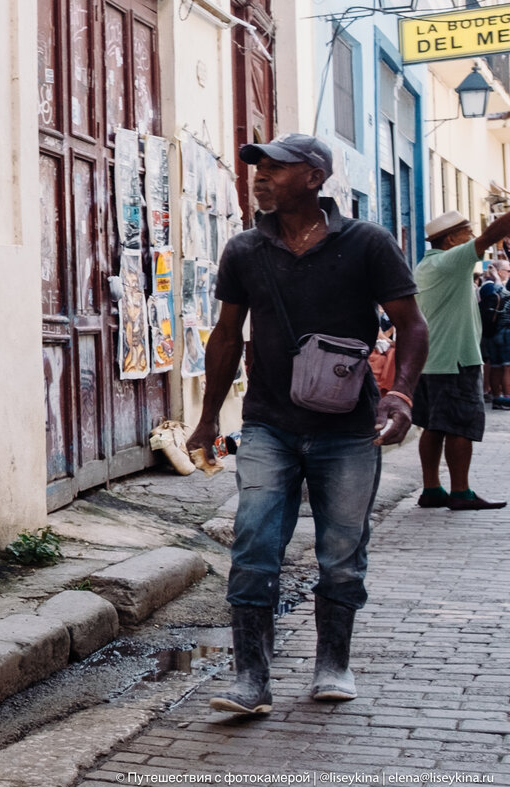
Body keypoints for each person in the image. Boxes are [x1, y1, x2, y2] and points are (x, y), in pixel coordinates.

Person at [186, 134, 428, 716]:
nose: (261, 177)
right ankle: (251, 680)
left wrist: (400, 396)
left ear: (316, 178)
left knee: (342, 552)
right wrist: (208, 419)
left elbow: (412, 326)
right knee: (253, 546)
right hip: (268, 423)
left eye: (277, 168)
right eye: (258, 169)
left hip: (348, 428)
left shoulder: (367, 243)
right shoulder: (244, 250)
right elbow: (226, 336)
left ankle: (333, 662)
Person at [413, 211, 510, 511]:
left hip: (428, 361)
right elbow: (492, 234)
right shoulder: (451, 261)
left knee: (432, 426)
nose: (472, 237)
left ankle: (432, 489)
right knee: (460, 427)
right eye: (467, 231)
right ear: (452, 239)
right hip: (455, 360)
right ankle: (461, 491)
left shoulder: (426, 264)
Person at [477, 260, 510, 409]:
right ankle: (507, 398)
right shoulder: (492, 287)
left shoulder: (495, 288)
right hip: (505, 332)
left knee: (496, 366)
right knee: (507, 367)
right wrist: (496, 278)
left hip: (494, 332)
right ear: (499, 271)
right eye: (508, 271)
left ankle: (497, 398)